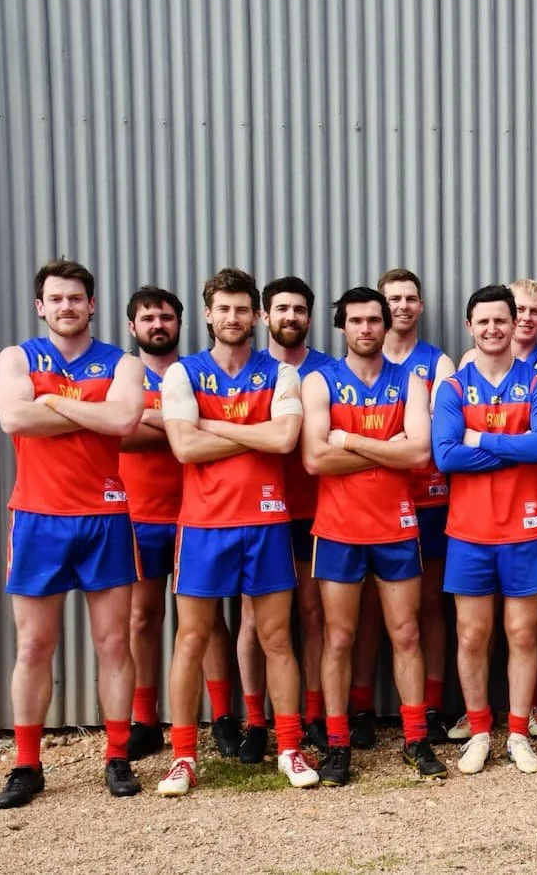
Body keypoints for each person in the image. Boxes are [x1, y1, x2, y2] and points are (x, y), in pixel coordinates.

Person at [155, 268, 318, 796]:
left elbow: (285, 439)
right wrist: (254, 433)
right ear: (208, 315)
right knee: (191, 639)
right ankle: (183, 757)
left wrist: (212, 425)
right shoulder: (182, 373)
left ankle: (289, 748)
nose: (233, 317)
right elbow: (184, 448)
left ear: (257, 316)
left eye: (242, 309)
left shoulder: (282, 373)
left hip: (266, 522)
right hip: (204, 526)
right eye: (223, 309)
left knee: (277, 639)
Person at [0, 260, 145, 808]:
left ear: (92, 305)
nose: (66, 307)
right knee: (34, 645)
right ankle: (26, 765)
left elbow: (125, 421)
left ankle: (117, 756)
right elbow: (14, 419)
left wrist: (53, 401)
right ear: (41, 306)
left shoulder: (123, 362)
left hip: (105, 516)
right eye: (56, 299)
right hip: (38, 517)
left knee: (113, 643)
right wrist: (92, 410)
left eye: (76, 298)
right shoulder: (17, 357)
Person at [302, 287, 448, 786]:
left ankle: (416, 739)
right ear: (342, 327)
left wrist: (349, 441)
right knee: (339, 636)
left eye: (373, 320)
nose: (365, 329)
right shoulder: (320, 381)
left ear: (386, 325)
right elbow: (315, 458)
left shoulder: (410, 381)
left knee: (406, 633)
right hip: (338, 528)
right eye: (356, 321)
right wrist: (387, 447)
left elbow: (420, 454)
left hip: (396, 526)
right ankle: (338, 743)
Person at [435, 285, 537, 774]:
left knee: (522, 634)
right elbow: (447, 456)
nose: (492, 329)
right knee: (472, 636)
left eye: (500, 320)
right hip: (469, 532)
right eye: (483, 321)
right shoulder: (452, 388)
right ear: (470, 327)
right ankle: (479, 733)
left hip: (526, 529)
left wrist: (480, 439)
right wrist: (514, 445)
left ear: (514, 325)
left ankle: (518, 734)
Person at [119, 286, 237, 762]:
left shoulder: (195, 374)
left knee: (208, 621)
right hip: (140, 515)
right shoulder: (124, 376)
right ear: (132, 326)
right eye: (148, 318)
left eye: (166, 317)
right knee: (142, 617)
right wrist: (175, 423)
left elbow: (204, 429)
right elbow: (119, 433)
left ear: (181, 323)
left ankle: (224, 717)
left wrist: (154, 419)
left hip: (200, 514)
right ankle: (145, 721)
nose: (158, 325)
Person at [234, 277, 336, 762]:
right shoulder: (248, 370)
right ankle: (257, 722)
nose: (290, 316)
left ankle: (313, 715)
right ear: (263, 316)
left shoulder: (328, 372)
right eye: (281, 309)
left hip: (315, 510)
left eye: (298, 309)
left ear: (309, 318)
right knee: (253, 620)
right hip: (255, 512)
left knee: (314, 614)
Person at [351, 269, 454, 748]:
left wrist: (380, 438)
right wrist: (395, 439)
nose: (403, 306)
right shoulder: (357, 365)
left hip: (428, 498)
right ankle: (361, 706)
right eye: (393, 299)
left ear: (422, 305)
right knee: (368, 607)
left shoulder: (438, 362)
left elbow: (433, 432)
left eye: (411, 298)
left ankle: (429, 706)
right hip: (369, 499)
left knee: (428, 604)